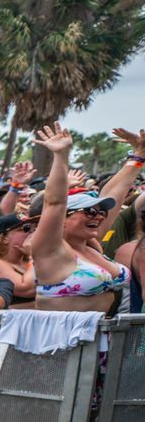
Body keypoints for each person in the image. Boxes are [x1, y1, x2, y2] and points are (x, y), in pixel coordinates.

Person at [28, 124, 133, 313]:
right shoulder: (50, 250)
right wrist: (60, 156)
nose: (100, 216)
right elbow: (54, 203)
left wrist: (138, 157)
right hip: (62, 339)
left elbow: (115, 195)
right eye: (90, 212)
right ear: (62, 218)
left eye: (101, 212)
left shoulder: (91, 244)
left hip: (100, 338)